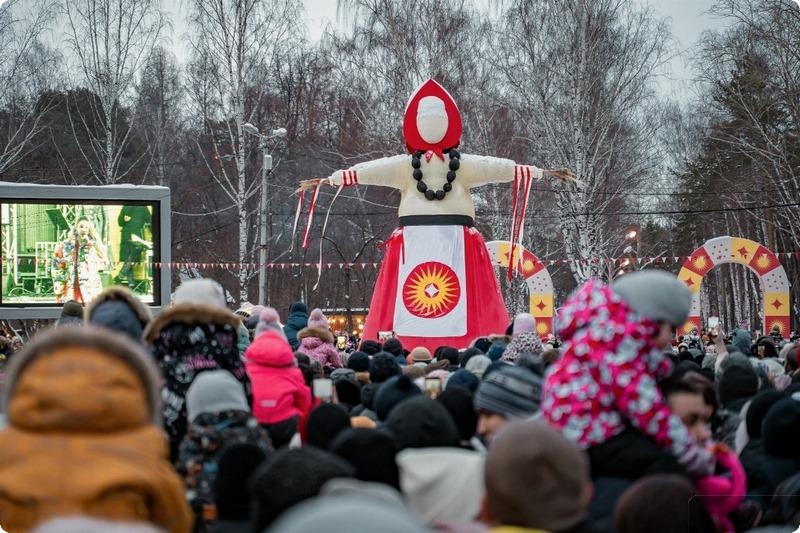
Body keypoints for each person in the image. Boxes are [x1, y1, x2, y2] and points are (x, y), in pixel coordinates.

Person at [298, 79, 577, 351]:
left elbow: (496, 167)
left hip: (455, 239)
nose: (432, 126)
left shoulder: (461, 166)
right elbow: (371, 170)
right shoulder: (407, 166)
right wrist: (335, 178)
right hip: (416, 240)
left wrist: (533, 171)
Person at [542, 270, 715, 480]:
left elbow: (651, 369)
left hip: (575, 428)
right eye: (670, 329)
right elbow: (644, 405)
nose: (669, 339)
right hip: (588, 435)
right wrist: (687, 450)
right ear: (654, 322)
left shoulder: (607, 334)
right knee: (662, 465)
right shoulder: (615, 340)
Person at [51, 216, 107, 304]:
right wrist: (59, 286)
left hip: (90, 289)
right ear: (76, 228)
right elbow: (57, 266)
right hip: (70, 287)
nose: (83, 229)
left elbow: (103, 262)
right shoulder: (65, 245)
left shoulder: (93, 245)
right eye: (81, 226)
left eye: (86, 227)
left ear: (89, 230)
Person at [115, 205, 151, 290]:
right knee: (127, 258)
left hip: (136, 236)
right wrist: (123, 219)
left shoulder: (143, 207)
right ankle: (131, 284)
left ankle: (120, 276)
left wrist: (154, 231)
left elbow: (150, 220)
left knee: (131, 258)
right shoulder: (125, 207)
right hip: (125, 236)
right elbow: (120, 222)